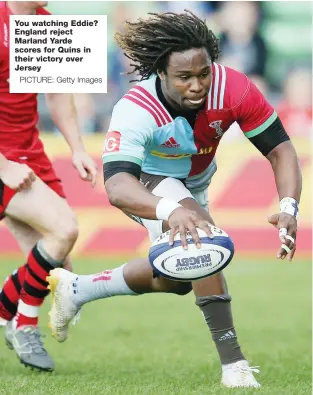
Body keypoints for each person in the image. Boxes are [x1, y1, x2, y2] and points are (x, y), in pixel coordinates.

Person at [47, 10, 301, 388]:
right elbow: (117, 186)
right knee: (204, 239)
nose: (197, 85)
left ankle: (77, 288)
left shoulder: (233, 88)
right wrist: (170, 209)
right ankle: (235, 366)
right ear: (160, 73)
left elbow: (279, 147)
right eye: (184, 77)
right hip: (148, 182)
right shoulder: (135, 108)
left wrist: (288, 206)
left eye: (203, 73)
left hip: (195, 181)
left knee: (180, 276)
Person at [0, 1, 98, 372]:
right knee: (65, 229)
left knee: (58, 268)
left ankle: (6, 312)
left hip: (29, 153)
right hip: (4, 159)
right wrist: (4, 166)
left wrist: (77, 149)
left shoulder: (47, 23)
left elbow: (59, 94)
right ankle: (23, 327)